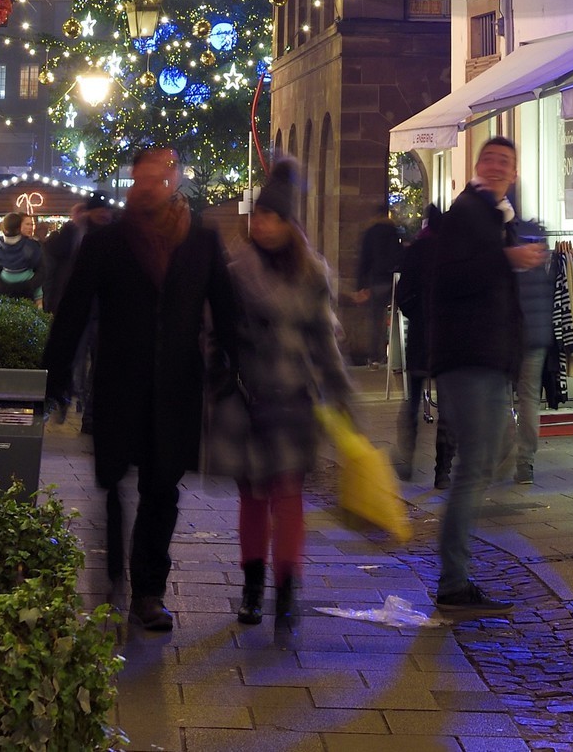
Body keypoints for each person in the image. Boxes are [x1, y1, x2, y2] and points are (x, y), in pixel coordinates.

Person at [44, 145, 240, 632]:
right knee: (112, 484)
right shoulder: (108, 241)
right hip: (118, 383)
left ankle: (148, 591)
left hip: (175, 387)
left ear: (173, 182)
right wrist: (52, 376)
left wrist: (238, 369)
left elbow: (228, 311)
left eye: (158, 177)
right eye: (141, 177)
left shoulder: (201, 241)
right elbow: (73, 311)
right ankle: (112, 578)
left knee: (161, 490)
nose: (148, 185)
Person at [206, 157, 355, 639]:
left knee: (288, 496)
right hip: (245, 398)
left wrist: (341, 395)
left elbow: (323, 343)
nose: (263, 224)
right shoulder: (233, 272)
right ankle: (252, 586)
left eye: (272, 217)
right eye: (258, 217)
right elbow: (213, 333)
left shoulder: (311, 276)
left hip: (291, 398)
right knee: (252, 495)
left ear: (289, 223)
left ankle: (287, 589)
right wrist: (218, 376)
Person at [428, 134, 542, 613]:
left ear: (514, 174)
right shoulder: (467, 214)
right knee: (475, 467)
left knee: (487, 459)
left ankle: (455, 575)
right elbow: (450, 277)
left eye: (506, 162)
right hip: (471, 358)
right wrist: (505, 259)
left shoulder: (497, 220)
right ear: (478, 166)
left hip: (487, 357)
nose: (497, 167)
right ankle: (453, 581)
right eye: (490, 160)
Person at [391, 205, 452, 487]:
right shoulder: (452, 252)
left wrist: (417, 314)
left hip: (420, 336)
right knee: (447, 409)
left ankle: (407, 457)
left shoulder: (416, 250)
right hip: (446, 337)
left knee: (413, 400)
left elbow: (402, 295)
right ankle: (443, 472)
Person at [497, 211, 551, 487]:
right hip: (536, 331)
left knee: (502, 396)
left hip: (507, 332)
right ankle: (526, 463)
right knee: (529, 398)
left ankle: (503, 452)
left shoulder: (501, 245)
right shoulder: (538, 239)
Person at [349, 202, 404, 363]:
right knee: (394, 319)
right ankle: (394, 356)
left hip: (377, 281)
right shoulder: (393, 231)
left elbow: (364, 260)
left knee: (376, 320)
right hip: (392, 280)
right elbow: (399, 254)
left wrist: (360, 286)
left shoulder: (371, 232)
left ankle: (375, 356)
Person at [0, 211, 42, 299]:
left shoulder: (33, 245)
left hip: (23, 293)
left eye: (31, 224)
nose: (30, 227)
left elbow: (41, 271)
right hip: (9, 293)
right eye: (27, 224)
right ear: (19, 226)